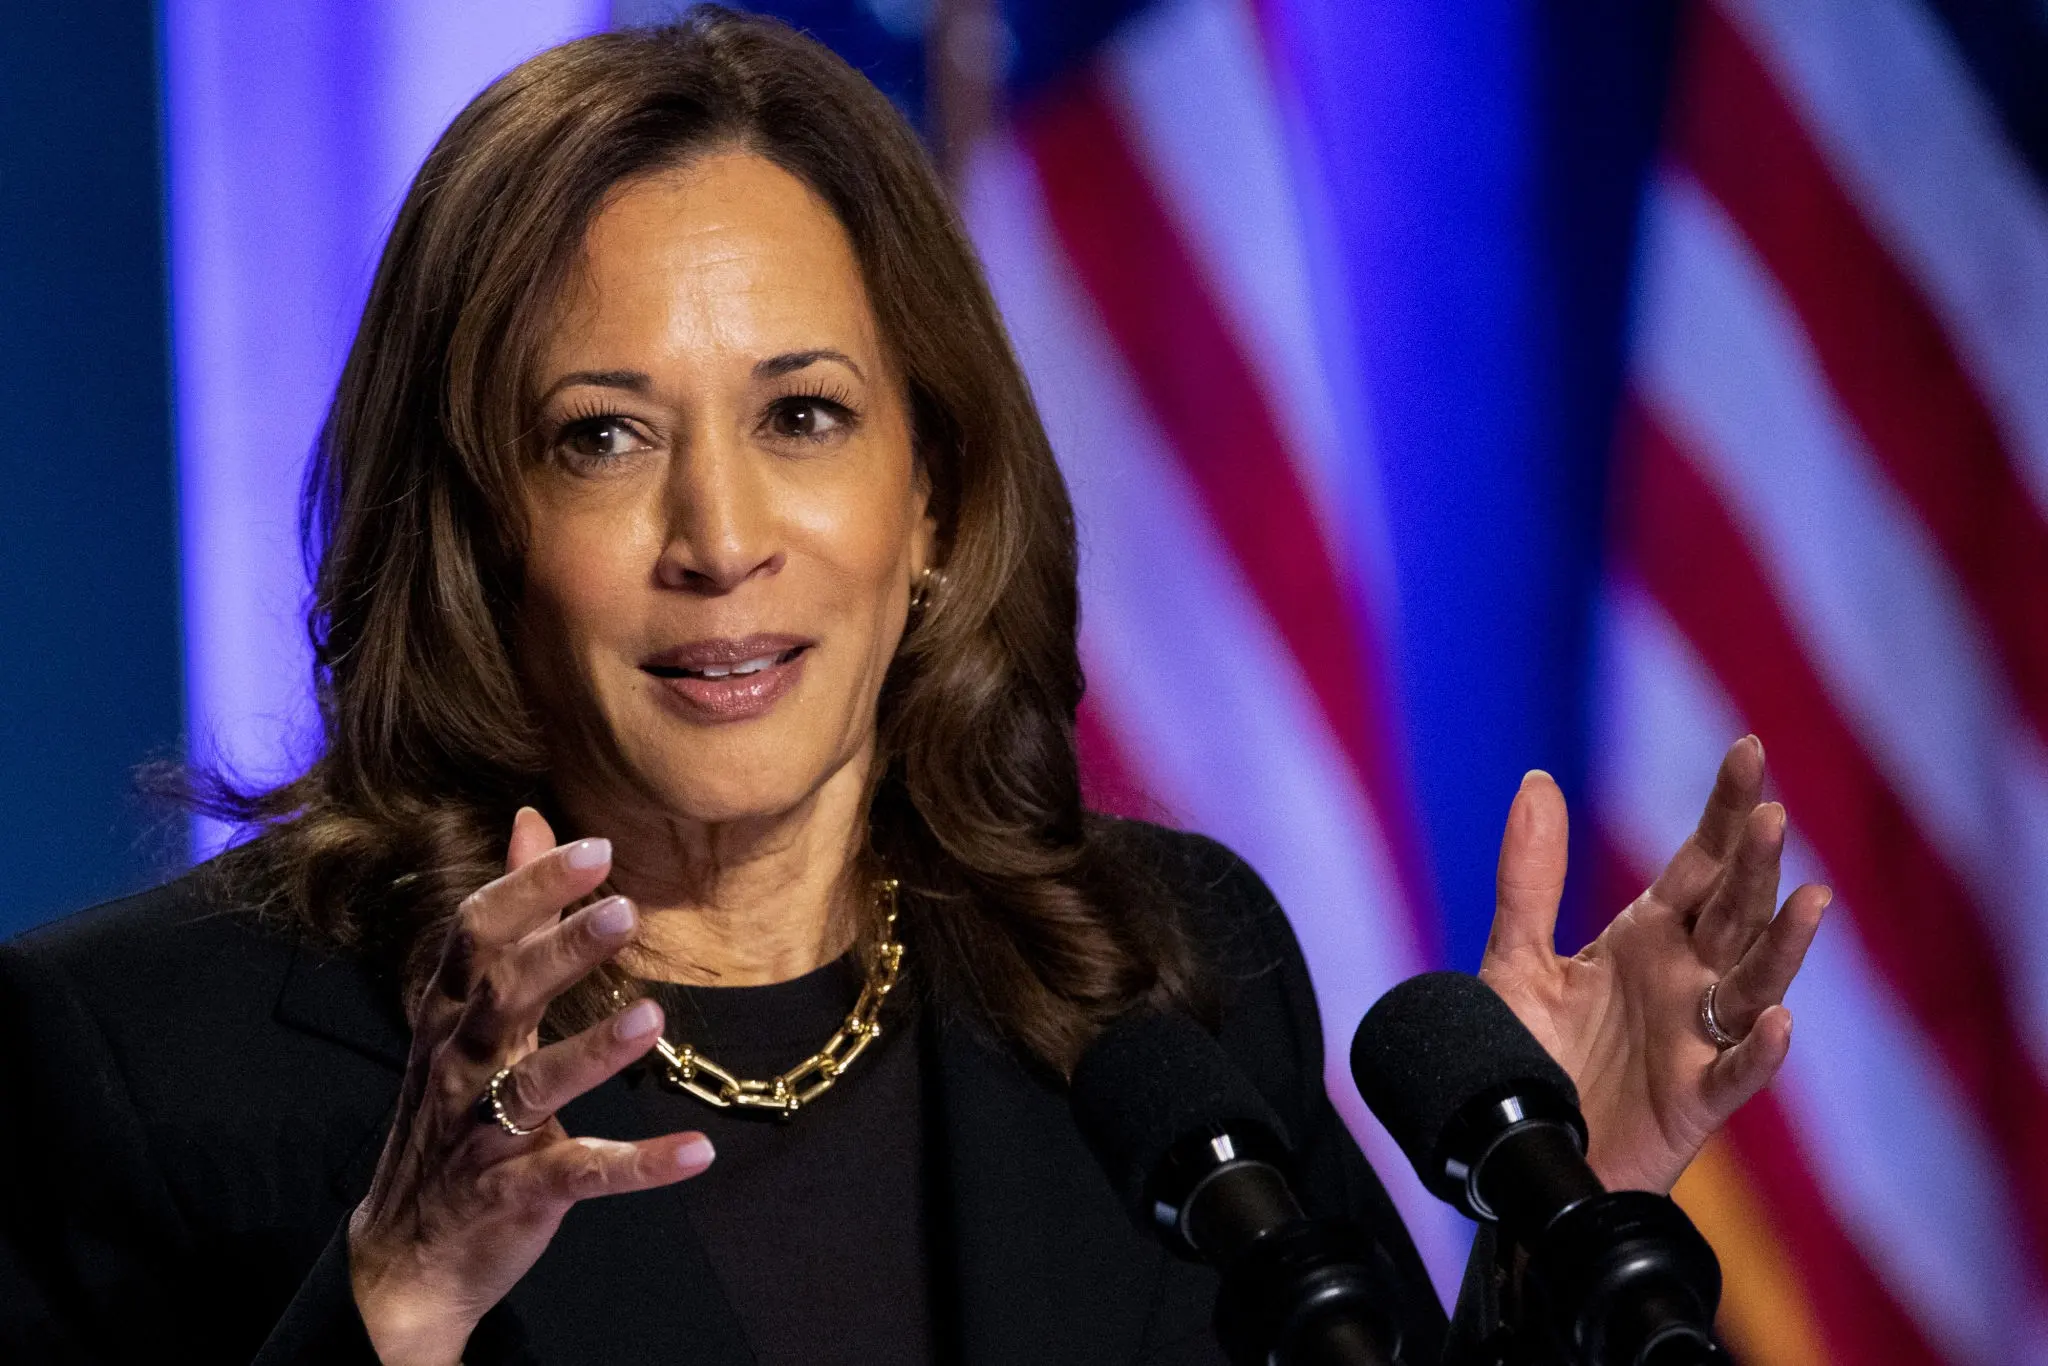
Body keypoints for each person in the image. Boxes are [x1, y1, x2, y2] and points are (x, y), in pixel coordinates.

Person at [0, 9, 1826, 1364]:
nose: (719, 535)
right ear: (474, 526)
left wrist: (1576, 1208)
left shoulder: (1162, 960)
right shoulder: (150, 1060)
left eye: (805, 415)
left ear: (934, 493)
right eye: (602, 435)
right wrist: (390, 1301)